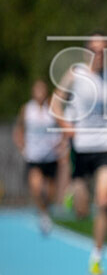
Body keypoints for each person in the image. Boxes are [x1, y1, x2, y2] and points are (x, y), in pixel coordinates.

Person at [51, 33, 107, 275]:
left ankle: (96, 257)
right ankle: (73, 193)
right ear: (87, 51)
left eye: (104, 50)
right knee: (80, 211)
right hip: (81, 147)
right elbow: (55, 105)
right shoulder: (75, 74)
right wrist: (66, 127)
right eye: (94, 50)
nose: (99, 55)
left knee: (105, 201)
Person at [13, 80, 64, 233]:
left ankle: (46, 210)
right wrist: (22, 146)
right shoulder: (27, 109)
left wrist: (61, 143)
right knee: (36, 187)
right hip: (33, 157)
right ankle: (43, 214)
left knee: (49, 192)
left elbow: (64, 127)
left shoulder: (52, 108)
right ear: (33, 92)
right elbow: (19, 129)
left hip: (50, 156)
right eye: (37, 90)